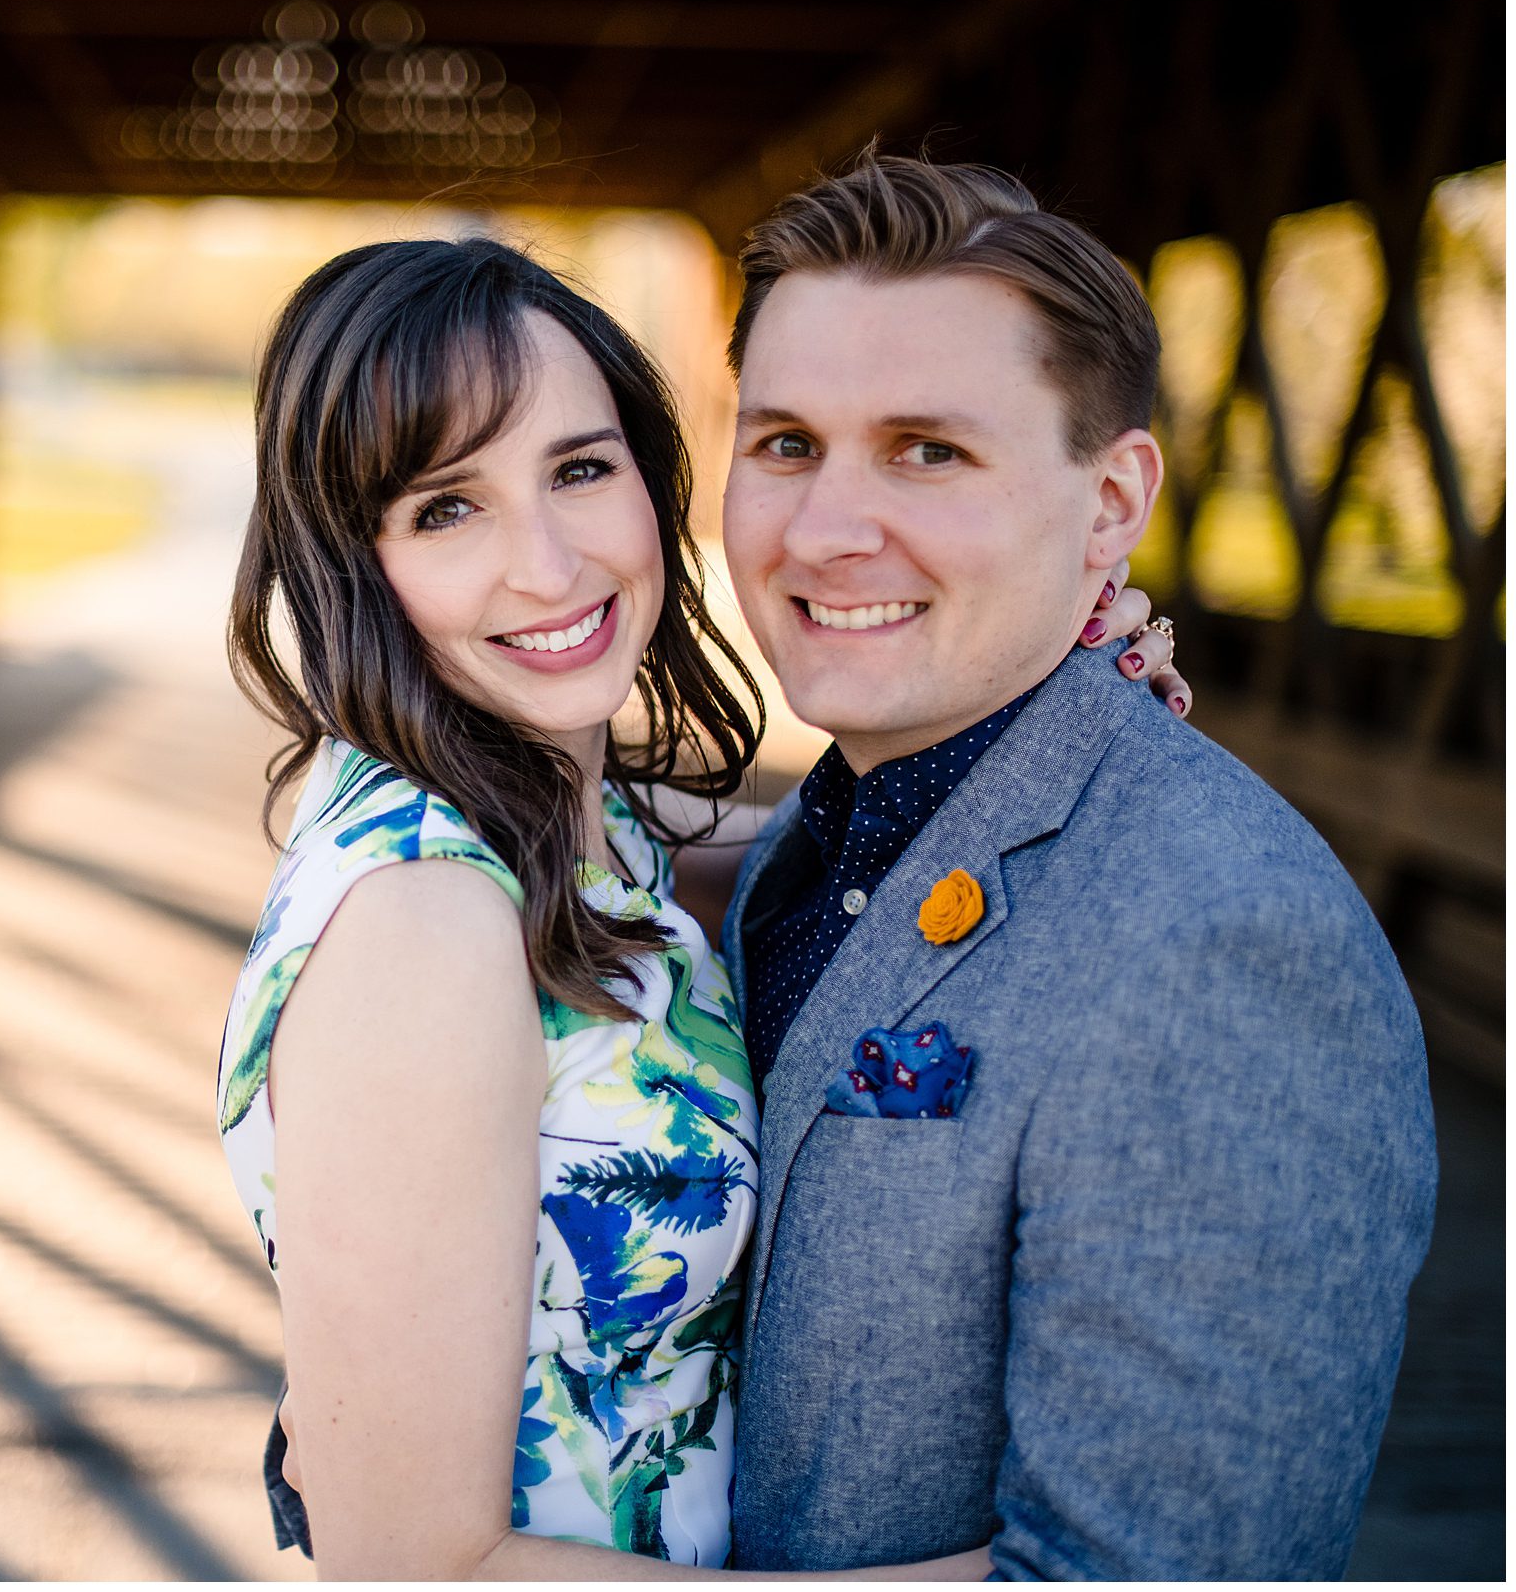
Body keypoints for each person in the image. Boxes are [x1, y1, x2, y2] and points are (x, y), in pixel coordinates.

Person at [217, 231, 1178, 1577]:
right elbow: (417, 1567)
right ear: (349, 561)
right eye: (446, 509)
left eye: (579, 470)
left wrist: (1040, 665)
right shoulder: (424, 927)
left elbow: (807, 859)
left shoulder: (567, 824)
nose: (548, 566)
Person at [710, 153, 1436, 1577]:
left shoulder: (1221, 941)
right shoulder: (812, 847)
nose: (827, 530)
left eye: (929, 451)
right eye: (786, 443)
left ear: (1110, 505)